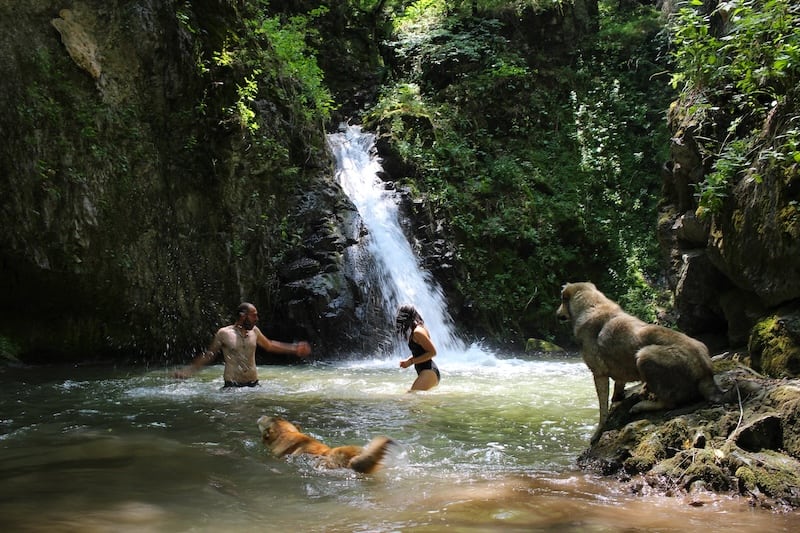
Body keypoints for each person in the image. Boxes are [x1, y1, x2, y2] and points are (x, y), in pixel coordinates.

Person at [174, 302, 311, 387]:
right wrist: (189, 370)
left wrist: (294, 348)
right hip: (232, 387)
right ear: (242, 315)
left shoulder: (255, 332)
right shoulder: (224, 333)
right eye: (254, 315)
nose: (257, 319)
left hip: (254, 385)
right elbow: (209, 355)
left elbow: (269, 345)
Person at [396, 304, 440, 391]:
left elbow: (433, 352)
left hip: (429, 371)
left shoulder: (418, 332)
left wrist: (411, 362)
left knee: (409, 398)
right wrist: (408, 361)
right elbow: (421, 352)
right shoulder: (416, 330)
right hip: (427, 372)